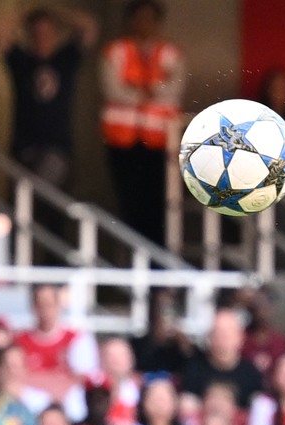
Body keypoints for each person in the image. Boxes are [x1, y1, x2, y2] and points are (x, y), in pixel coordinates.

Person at [100, 0, 184, 245]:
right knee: (129, 202)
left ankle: (156, 261)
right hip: (122, 141)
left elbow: (175, 89)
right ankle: (132, 257)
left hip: (159, 142)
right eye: (139, 17)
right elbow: (112, 90)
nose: (144, 23)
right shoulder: (115, 51)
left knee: (157, 204)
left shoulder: (170, 53)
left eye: (150, 18)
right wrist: (153, 90)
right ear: (130, 21)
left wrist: (138, 88)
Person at [0, 6, 97, 187]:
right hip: (24, 147)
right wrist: (28, 12)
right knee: (22, 198)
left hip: (57, 147)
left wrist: (55, 11)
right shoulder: (21, 61)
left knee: (46, 195)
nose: (42, 38)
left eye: (47, 33)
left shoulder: (66, 59)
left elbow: (90, 26)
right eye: (37, 33)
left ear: (55, 34)